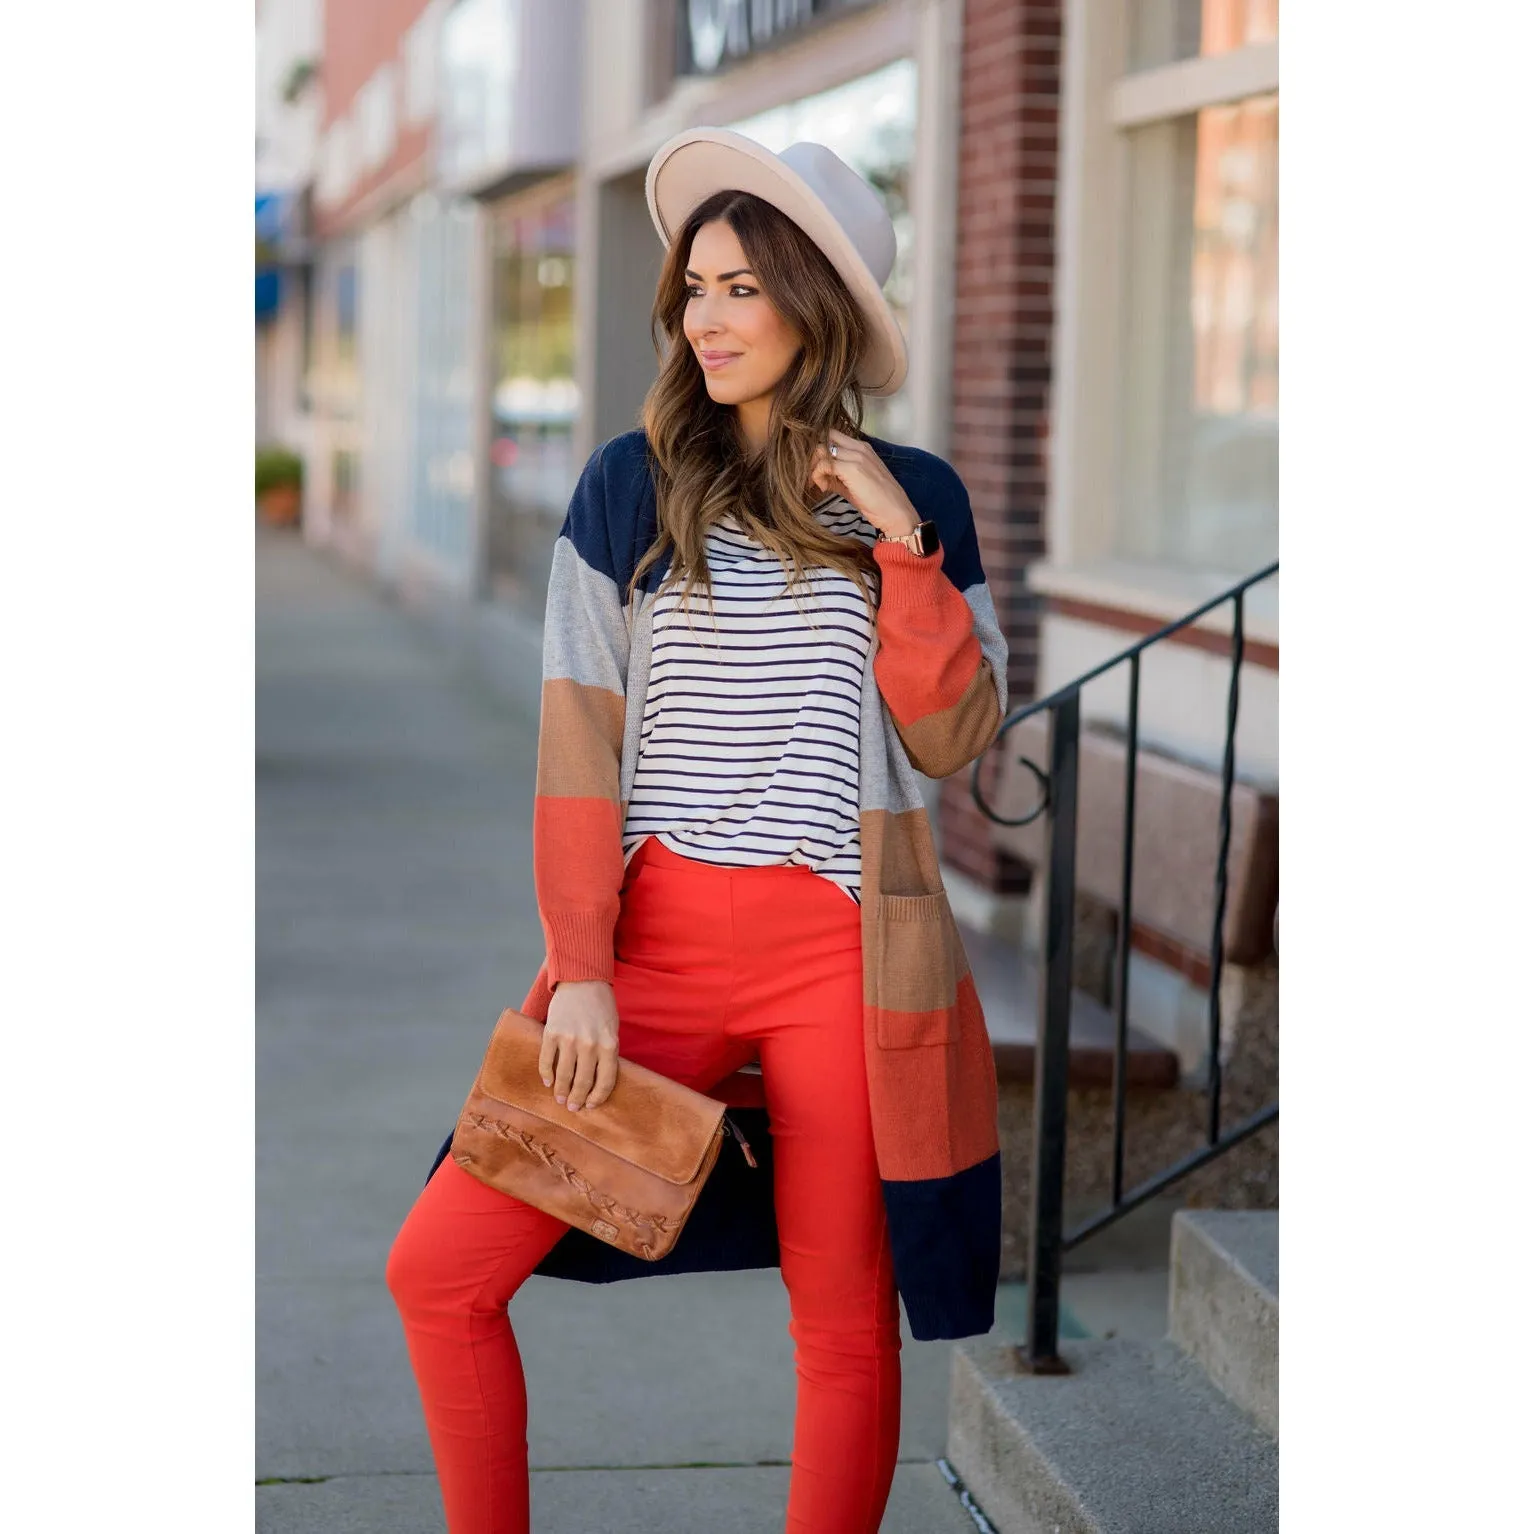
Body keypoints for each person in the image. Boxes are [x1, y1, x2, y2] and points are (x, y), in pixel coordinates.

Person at [386, 127, 1010, 1534]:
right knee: (441, 1268)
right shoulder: (629, 484)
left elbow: (957, 738)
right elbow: (575, 749)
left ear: (816, 303)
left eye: (741, 287)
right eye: (693, 288)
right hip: (649, 947)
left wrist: (905, 553)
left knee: (841, 1319)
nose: (704, 318)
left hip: (843, 959)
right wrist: (582, 961)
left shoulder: (918, 503)